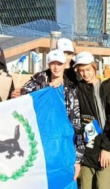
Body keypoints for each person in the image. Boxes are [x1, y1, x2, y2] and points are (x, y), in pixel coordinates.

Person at [21, 49, 84, 181]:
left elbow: (76, 124)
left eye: (59, 64)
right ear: (48, 64)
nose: (56, 67)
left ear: (64, 65)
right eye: (52, 63)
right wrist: (46, 89)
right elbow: (23, 98)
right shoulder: (36, 82)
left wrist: (78, 158)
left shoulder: (70, 90)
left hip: (62, 148)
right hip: (40, 146)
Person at [74, 52, 110, 189]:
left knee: (103, 185)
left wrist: (106, 148)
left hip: (105, 144)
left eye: (88, 69)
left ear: (94, 68)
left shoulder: (106, 86)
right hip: (88, 147)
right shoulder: (77, 88)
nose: (85, 74)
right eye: (81, 70)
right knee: (86, 186)